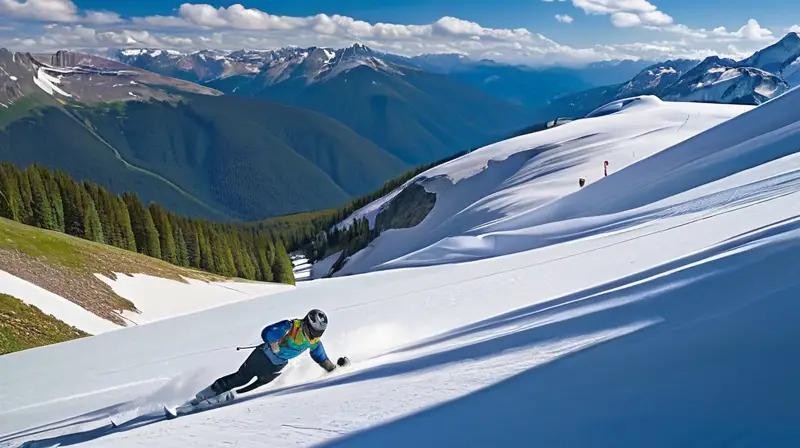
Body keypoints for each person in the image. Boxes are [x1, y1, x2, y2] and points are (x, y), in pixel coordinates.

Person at [190, 309, 348, 405]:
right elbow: (268, 331)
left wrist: (333, 369)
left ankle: (220, 400)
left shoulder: (314, 342)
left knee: (251, 388)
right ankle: (203, 396)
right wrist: (273, 342)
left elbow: (321, 357)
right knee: (240, 378)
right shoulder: (291, 326)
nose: (313, 336)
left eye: (317, 333)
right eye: (312, 331)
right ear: (306, 323)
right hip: (262, 356)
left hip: (277, 366)